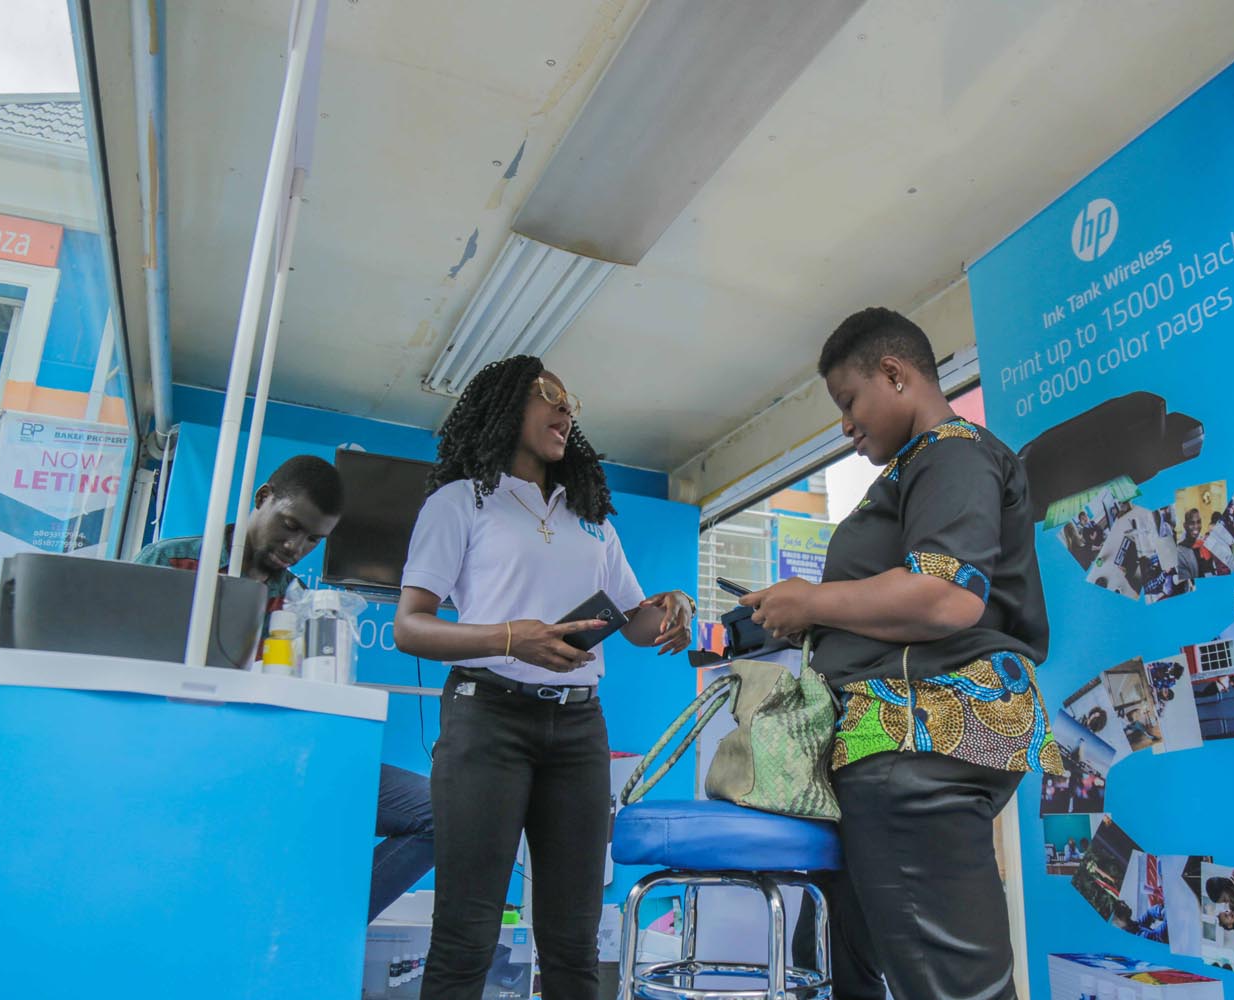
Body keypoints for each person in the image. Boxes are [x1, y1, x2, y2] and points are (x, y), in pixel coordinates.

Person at [744, 308, 1064, 1000]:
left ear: (894, 374)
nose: (846, 425)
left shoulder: (953, 453)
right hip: (890, 744)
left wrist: (813, 602)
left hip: (916, 742)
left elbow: (946, 596)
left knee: (952, 987)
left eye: (848, 401)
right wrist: (805, 620)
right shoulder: (919, 468)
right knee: (840, 965)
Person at [392, 355, 693, 1000]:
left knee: (574, 945)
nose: (565, 410)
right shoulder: (461, 501)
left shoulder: (591, 517)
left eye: (570, 402)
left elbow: (634, 622)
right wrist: (511, 637)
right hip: (486, 721)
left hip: (579, 728)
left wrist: (669, 606)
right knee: (466, 937)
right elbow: (410, 627)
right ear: (507, 406)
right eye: (549, 394)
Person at [135, 454, 436, 922]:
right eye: (290, 525)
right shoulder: (172, 563)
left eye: (314, 539)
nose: (296, 547)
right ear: (263, 498)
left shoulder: (303, 604)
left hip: (274, 756)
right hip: (177, 755)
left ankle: (325, 930)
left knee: (438, 811)